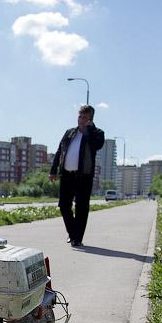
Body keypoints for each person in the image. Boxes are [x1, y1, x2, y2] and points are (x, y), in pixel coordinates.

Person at [50, 105, 105, 247]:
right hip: (66, 175)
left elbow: (97, 145)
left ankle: (77, 238)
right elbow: (60, 150)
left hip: (84, 176)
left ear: (90, 119)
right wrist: (53, 170)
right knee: (63, 205)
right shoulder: (70, 133)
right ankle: (72, 233)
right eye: (79, 116)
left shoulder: (97, 133)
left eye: (84, 117)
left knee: (81, 207)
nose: (80, 119)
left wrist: (89, 129)